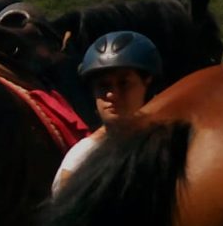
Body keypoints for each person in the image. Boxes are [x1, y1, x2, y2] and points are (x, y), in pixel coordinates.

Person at [51, 30, 163, 194]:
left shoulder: (169, 147)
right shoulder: (79, 162)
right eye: (103, 86)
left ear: (148, 83)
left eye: (124, 83)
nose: (111, 94)